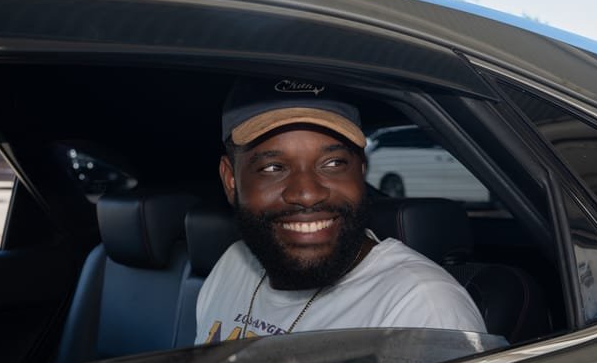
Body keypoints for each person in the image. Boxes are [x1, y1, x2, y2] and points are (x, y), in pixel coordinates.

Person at [195, 78, 486, 344]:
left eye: (333, 163)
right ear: (231, 181)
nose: (307, 194)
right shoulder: (232, 265)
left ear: (361, 170)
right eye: (273, 168)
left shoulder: (421, 309)